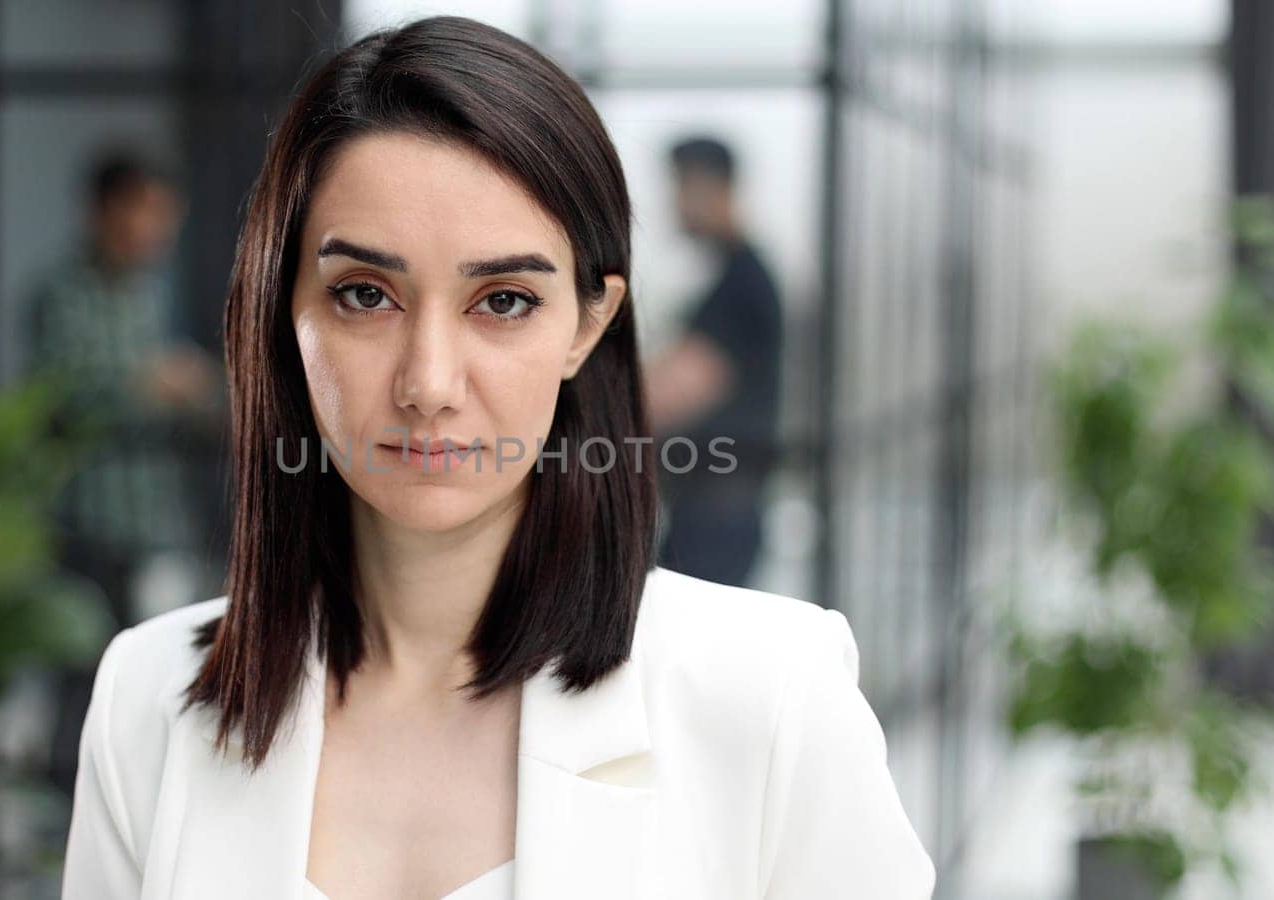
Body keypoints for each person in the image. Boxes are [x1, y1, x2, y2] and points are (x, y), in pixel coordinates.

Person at [60, 16, 933, 900]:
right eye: (366, 295)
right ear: (287, 311)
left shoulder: (772, 699)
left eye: (505, 301)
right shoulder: (149, 697)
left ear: (588, 325)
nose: (430, 383)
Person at [20, 148, 222, 777]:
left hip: (150, 517)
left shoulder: (148, 293)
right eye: (146, 212)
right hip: (83, 519)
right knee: (80, 676)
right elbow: (62, 396)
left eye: (166, 216)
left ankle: (131, 807)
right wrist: (151, 384)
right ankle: (61, 816)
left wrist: (190, 388)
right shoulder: (61, 293)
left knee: (151, 676)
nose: (157, 230)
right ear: (105, 209)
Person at [646, 136, 785, 589]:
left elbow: (671, 392)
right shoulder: (732, 277)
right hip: (710, 507)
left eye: (682, 188)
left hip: (719, 512)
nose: (677, 205)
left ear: (713, 187)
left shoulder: (742, 282)